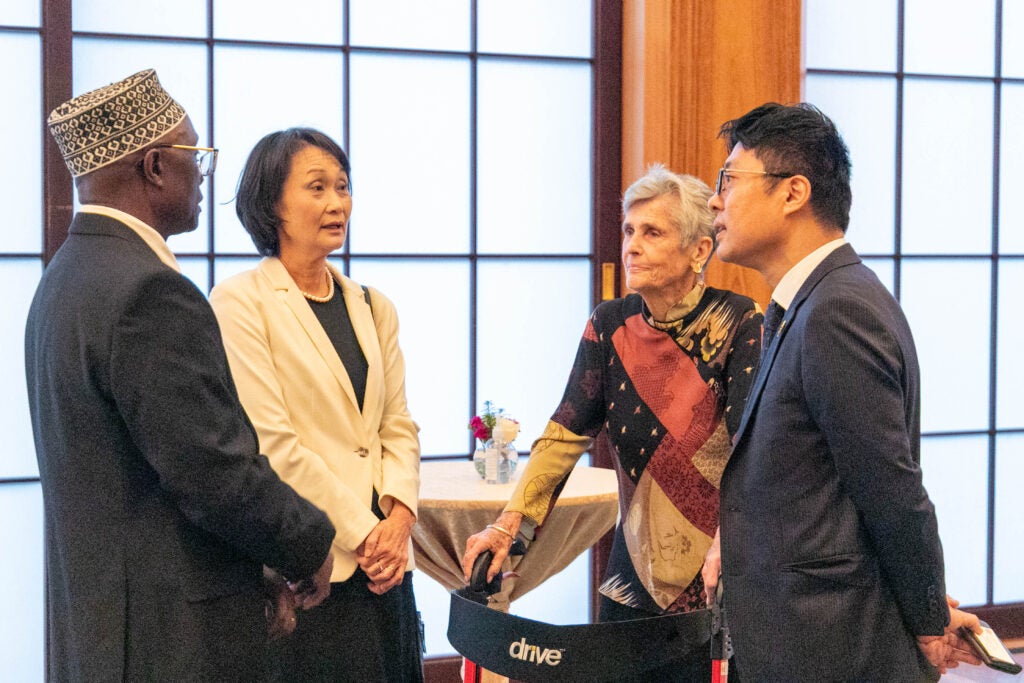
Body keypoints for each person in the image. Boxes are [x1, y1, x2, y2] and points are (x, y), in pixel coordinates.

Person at [25, 70, 336, 682]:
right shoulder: (149, 292)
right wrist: (308, 543)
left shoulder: (62, 278)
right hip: (169, 641)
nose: (202, 174)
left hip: (98, 631)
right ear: (156, 166)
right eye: (197, 155)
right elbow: (211, 470)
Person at [707, 101, 982, 681]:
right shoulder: (812, 303)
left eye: (729, 179)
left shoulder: (836, 310)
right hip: (810, 638)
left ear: (793, 192)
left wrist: (928, 619)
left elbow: (891, 490)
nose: (715, 200)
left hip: (832, 650)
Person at [461, 164, 763, 681]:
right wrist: (507, 524)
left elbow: (752, 453)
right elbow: (563, 435)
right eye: (628, 230)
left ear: (699, 250)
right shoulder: (609, 325)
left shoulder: (740, 322)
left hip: (718, 574)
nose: (632, 247)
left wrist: (730, 544)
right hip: (633, 573)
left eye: (652, 232)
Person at [209, 127, 423, 682]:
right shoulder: (240, 302)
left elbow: (397, 425)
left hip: (387, 569)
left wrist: (400, 519)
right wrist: (364, 534)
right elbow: (273, 444)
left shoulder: (373, 305)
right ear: (272, 204)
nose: (337, 203)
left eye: (343, 186)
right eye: (317, 187)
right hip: (314, 564)